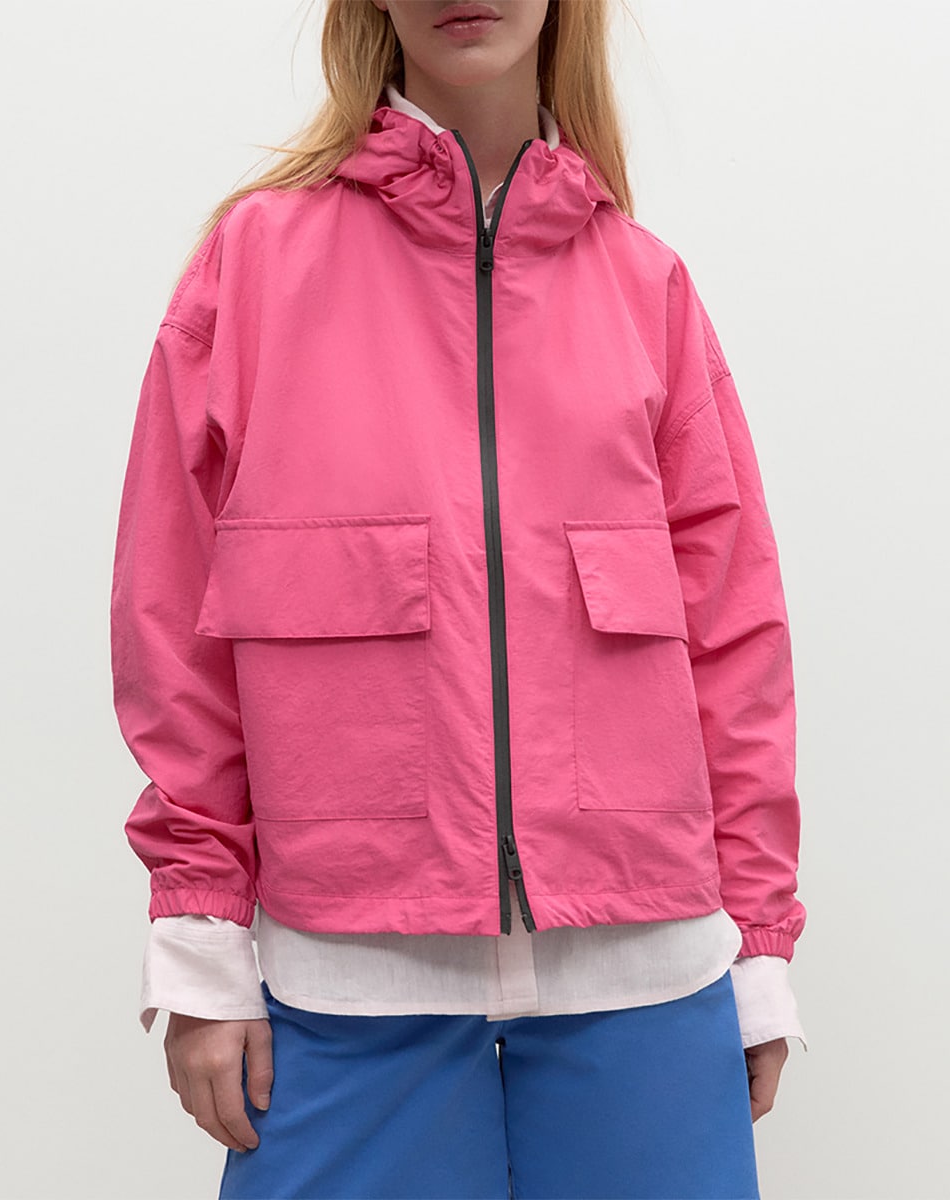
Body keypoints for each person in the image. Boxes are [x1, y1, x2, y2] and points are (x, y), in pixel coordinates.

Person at [110, 2, 808, 1197]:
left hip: (647, 974)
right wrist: (202, 937)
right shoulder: (255, 265)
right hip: (346, 984)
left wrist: (756, 944)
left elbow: (734, 642)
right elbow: (170, 626)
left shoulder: (645, 286)